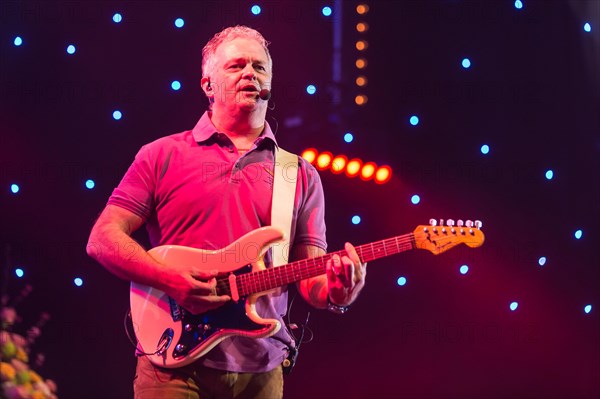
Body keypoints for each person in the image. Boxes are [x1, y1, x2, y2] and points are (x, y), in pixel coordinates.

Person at [86, 25, 367, 399]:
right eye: (236, 66)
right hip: (171, 364)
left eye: (259, 67)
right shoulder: (161, 155)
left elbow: (310, 278)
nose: (250, 73)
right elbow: (102, 239)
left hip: (262, 371)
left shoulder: (298, 174)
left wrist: (337, 291)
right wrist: (169, 279)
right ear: (208, 85)